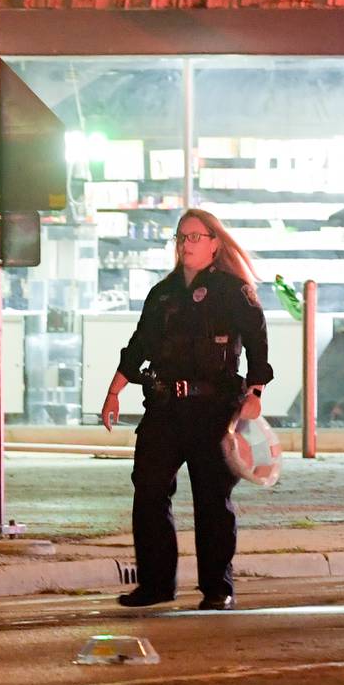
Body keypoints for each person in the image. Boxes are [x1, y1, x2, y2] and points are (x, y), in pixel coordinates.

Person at [100, 208, 272, 611]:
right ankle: (156, 584)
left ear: (214, 242)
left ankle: (217, 587)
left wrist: (256, 391)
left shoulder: (234, 291)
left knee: (212, 499)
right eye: (181, 237)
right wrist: (114, 391)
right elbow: (139, 344)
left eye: (195, 237)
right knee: (149, 489)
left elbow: (257, 344)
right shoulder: (163, 293)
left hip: (213, 408)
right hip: (164, 407)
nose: (186, 245)